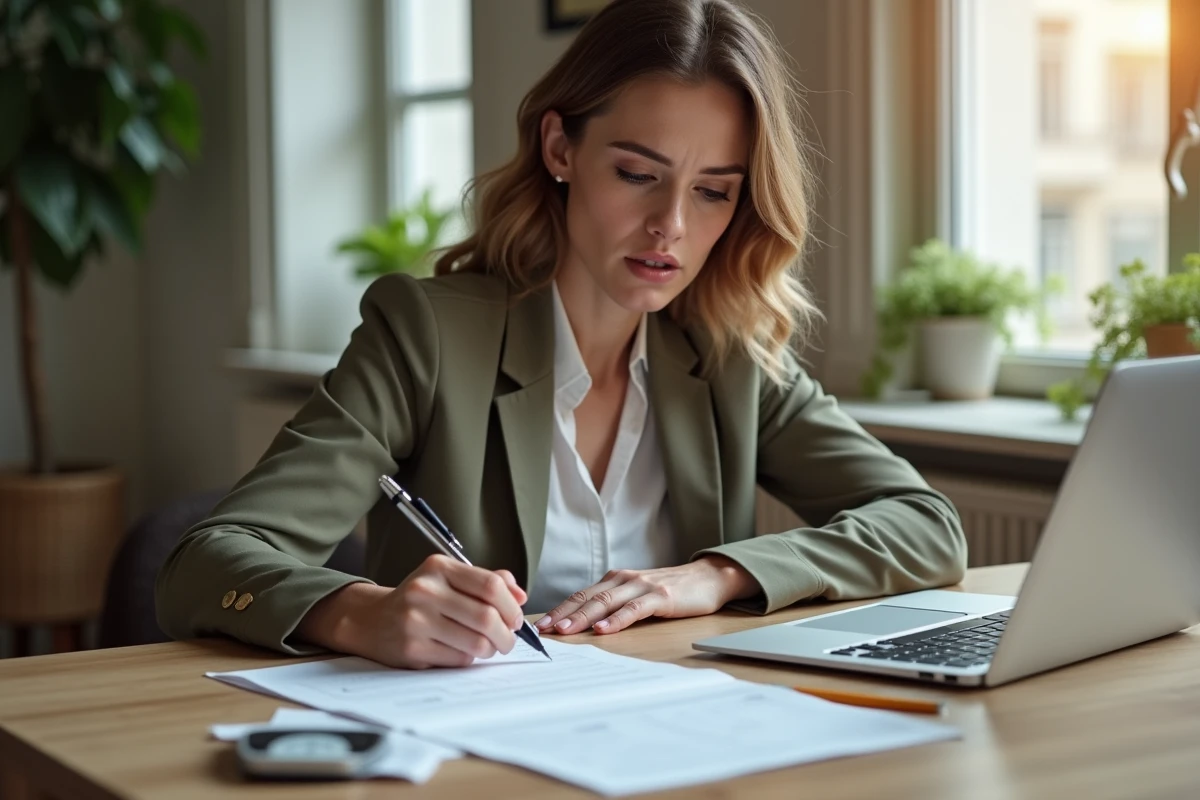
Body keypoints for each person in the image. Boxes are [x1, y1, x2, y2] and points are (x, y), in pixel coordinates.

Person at [156, 0, 966, 670]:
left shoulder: (729, 357)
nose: (670, 228)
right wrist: (361, 614)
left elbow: (927, 525)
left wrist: (716, 575)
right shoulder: (426, 335)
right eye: (639, 175)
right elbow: (206, 564)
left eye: (714, 192)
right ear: (559, 148)